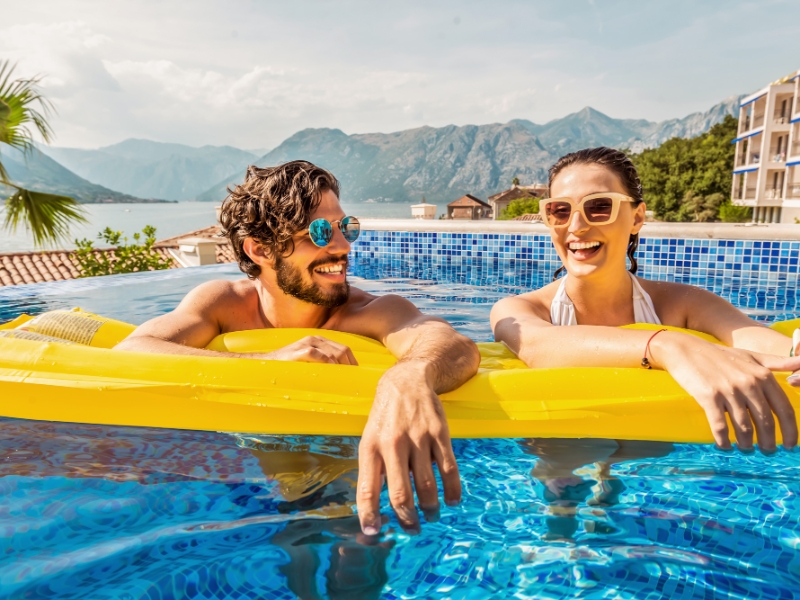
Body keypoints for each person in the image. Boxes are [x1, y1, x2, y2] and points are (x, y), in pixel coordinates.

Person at [116, 160, 481, 534]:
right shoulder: (224, 304)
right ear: (260, 250)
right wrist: (268, 362)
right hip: (245, 474)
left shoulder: (370, 312)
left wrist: (407, 376)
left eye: (346, 227)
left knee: (355, 547)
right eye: (320, 232)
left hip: (349, 476)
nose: (341, 247)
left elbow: (452, 344)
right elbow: (133, 351)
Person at [491, 147, 800, 452]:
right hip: (559, 460)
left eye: (599, 206)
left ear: (637, 217)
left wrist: (793, 348)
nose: (576, 226)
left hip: (652, 472)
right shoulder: (520, 309)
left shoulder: (683, 304)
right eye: (560, 210)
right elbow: (538, 346)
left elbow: (760, 341)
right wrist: (669, 346)